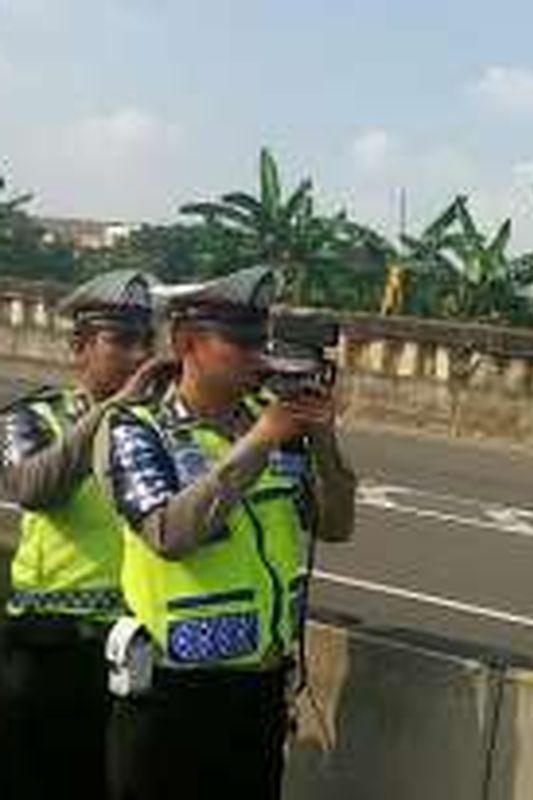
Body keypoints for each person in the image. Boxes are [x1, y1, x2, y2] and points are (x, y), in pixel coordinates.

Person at [95, 265, 356, 800]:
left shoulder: (278, 425)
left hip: (259, 693)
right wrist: (259, 441)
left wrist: (323, 440)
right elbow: (168, 533)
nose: (257, 355)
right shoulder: (135, 429)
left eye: (261, 341)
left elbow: (335, 526)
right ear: (188, 341)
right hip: (170, 696)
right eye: (239, 342)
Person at [0, 269, 161, 798]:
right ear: (79, 347)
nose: (138, 356)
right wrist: (110, 413)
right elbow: (33, 487)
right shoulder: (35, 415)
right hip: (52, 649)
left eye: (146, 341)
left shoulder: (162, 427)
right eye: (120, 341)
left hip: (133, 651)